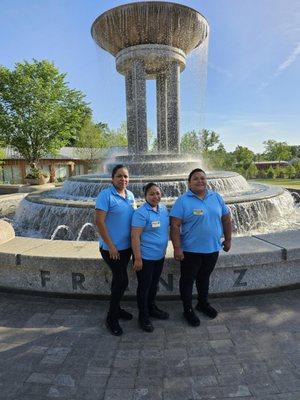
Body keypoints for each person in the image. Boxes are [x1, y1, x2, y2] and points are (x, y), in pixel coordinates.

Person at [170, 168, 232, 327]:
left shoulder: (216, 197)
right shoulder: (183, 200)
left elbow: (226, 219)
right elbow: (175, 226)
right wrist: (177, 248)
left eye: (203, 178)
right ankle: (187, 309)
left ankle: (202, 303)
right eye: (196, 178)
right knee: (188, 280)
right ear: (189, 183)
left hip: (212, 248)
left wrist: (228, 240)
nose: (200, 181)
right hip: (191, 250)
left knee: (204, 278)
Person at [95, 164, 135, 336]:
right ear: (112, 178)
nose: (123, 179)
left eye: (125, 176)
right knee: (122, 280)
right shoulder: (105, 195)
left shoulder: (130, 195)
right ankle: (111, 318)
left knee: (118, 281)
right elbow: (99, 222)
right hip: (111, 248)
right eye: (119, 176)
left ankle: (117, 309)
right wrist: (111, 245)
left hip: (127, 248)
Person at [131, 183, 170, 332]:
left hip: (159, 256)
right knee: (144, 287)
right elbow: (135, 236)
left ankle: (152, 308)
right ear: (145, 196)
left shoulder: (163, 209)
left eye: (158, 193)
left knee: (154, 285)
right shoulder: (140, 213)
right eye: (152, 194)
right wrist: (138, 258)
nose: (156, 197)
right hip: (145, 258)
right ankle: (143, 316)